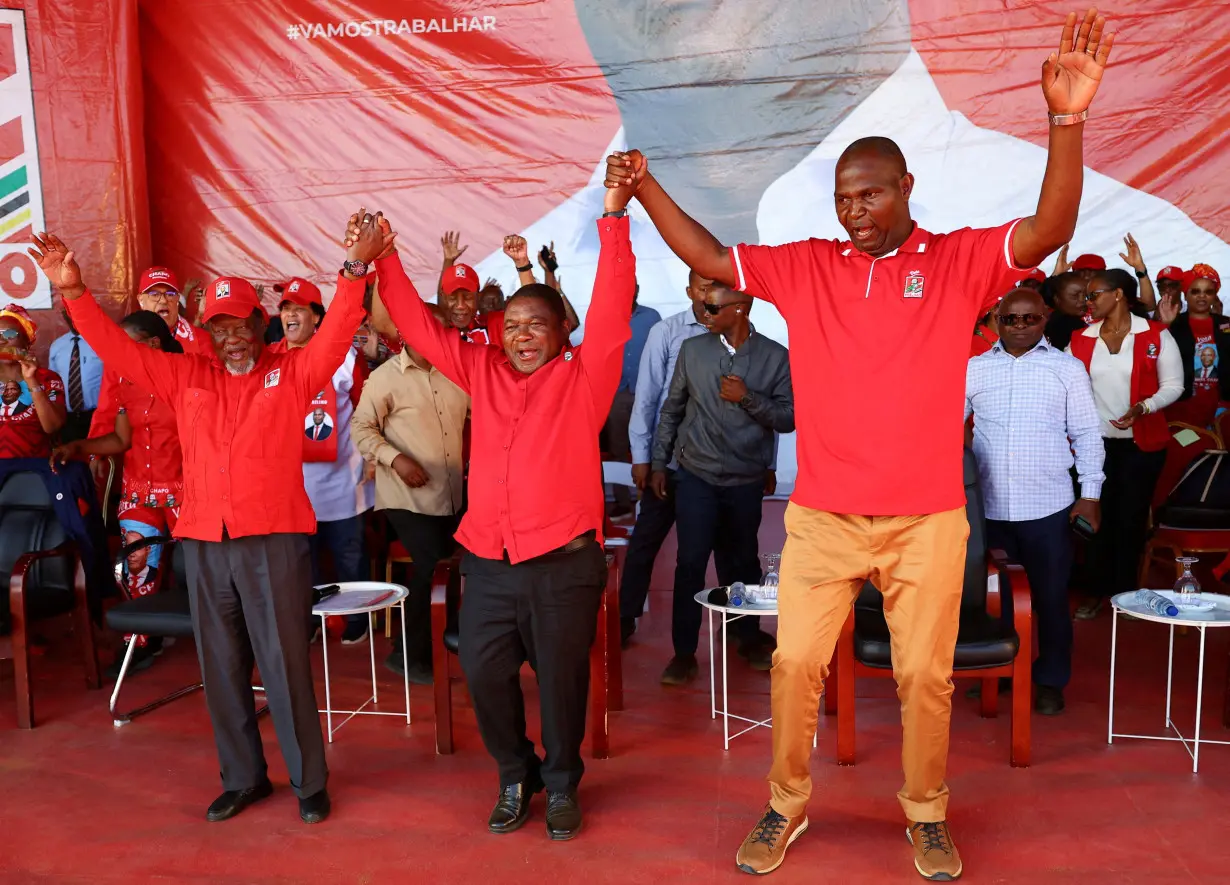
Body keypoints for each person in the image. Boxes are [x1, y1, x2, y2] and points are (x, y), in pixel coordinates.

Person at [605, 10, 1114, 878]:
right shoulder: (807, 265)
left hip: (926, 521)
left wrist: (1068, 120)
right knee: (796, 660)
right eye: (843, 198)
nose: (855, 211)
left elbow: (1048, 228)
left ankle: (925, 812)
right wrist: (648, 186)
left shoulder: (958, 262)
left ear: (906, 186)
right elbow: (711, 256)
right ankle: (784, 805)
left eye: (869, 194)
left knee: (925, 678)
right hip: (826, 518)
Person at [30, 210, 391, 825]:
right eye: (218, 326)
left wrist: (355, 269)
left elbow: (339, 330)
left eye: (240, 324)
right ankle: (244, 778)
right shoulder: (180, 374)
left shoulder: (292, 369)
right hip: (204, 542)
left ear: (259, 324)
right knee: (221, 668)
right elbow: (114, 346)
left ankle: (308, 783)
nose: (231, 337)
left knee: (283, 667)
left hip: (274, 543)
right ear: (206, 330)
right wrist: (72, 291)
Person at [364, 182, 636, 842]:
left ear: (559, 332)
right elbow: (420, 324)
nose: (519, 336)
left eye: (534, 325)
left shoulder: (585, 376)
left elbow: (610, 306)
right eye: (510, 325)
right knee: (484, 672)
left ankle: (564, 780)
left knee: (564, 684)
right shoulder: (480, 369)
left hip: (563, 564)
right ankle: (517, 774)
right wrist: (386, 258)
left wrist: (614, 217)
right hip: (489, 559)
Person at [965, 288, 1104, 715]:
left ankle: (1049, 680)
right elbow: (943, 433)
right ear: (996, 319)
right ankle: (1002, 669)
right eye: (1012, 319)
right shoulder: (973, 369)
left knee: (1049, 597)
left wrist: (1090, 496)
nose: (1021, 326)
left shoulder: (1067, 368)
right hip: (989, 508)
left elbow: (1086, 435)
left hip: (1048, 506)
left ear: (1046, 319)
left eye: (1031, 319)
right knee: (996, 599)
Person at [650, 282, 793, 683]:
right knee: (690, 563)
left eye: (712, 308)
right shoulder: (693, 351)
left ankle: (745, 635)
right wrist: (659, 462)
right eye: (702, 306)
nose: (703, 314)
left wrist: (748, 398)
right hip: (696, 474)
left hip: (745, 478)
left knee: (742, 562)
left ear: (741, 308)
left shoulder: (774, 357)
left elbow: (788, 418)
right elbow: (672, 409)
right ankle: (683, 652)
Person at [53, 310, 186, 676]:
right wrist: (79, 447)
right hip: (138, 490)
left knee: (203, 570)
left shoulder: (186, 376)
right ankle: (141, 640)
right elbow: (122, 438)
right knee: (136, 566)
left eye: (125, 344)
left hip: (186, 491)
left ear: (153, 344)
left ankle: (220, 637)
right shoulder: (127, 380)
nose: (117, 353)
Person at [351, 304, 469, 684]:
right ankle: (407, 654)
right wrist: (396, 458)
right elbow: (361, 428)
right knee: (431, 567)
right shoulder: (386, 377)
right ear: (405, 334)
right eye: (423, 329)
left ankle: (438, 646)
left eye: (439, 329)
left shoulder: (460, 372)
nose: (433, 335)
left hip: (451, 492)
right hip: (405, 495)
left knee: (447, 570)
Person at [620, 271, 730, 646]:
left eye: (715, 288)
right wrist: (642, 457)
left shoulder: (732, 330)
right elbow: (648, 396)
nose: (709, 295)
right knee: (646, 541)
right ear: (689, 291)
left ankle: (733, 629)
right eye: (702, 288)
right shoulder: (666, 331)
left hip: (715, 462)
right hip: (666, 462)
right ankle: (624, 616)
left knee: (716, 550)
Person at [1069, 268, 1183, 621]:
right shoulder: (1080, 338)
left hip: (1142, 444)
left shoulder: (1156, 334)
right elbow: (1062, 383)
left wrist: (1143, 408)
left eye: (1094, 294)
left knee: (1130, 520)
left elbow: (1174, 385)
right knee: (1093, 519)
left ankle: (1125, 595)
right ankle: (1093, 591)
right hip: (1094, 446)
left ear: (1118, 294)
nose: (1088, 301)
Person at [272, 277, 375, 645]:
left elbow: (367, 409)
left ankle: (355, 622)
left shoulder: (346, 356)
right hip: (290, 484)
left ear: (317, 318)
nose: (289, 315)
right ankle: (312, 621)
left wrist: (371, 456)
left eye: (298, 308)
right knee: (302, 560)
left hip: (343, 480)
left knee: (349, 556)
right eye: (285, 308)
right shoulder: (269, 358)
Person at [605, 284, 661, 517]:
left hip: (646, 393)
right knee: (617, 448)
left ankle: (649, 501)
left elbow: (661, 352)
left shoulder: (652, 317)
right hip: (616, 393)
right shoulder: (606, 317)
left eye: (631, 285)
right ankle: (623, 503)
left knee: (647, 447)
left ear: (637, 289)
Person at [1160, 264, 1226, 428]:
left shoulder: (1225, 324)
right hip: (1182, 405)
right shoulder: (1174, 324)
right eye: (1195, 291)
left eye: (1208, 292)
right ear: (1186, 294)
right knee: (1187, 449)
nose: (1202, 296)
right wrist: (1165, 326)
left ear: (1214, 296)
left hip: (1221, 406)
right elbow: (1157, 359)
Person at [0, 304, 66, 457]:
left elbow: (53, 426)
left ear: (27, 342)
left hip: (35, 469)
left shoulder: (47, 378)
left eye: (10, 334)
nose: (2, 341)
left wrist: (31, 380)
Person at [47, 307, 104, 442]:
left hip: (98, 416)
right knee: (70, 458)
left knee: (97, 458)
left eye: (75, 309)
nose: (72, 315)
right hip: (67, 418)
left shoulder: (103, 343)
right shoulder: (57, 346)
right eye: (67, 311)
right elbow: (52, 382)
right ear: (64, 315)